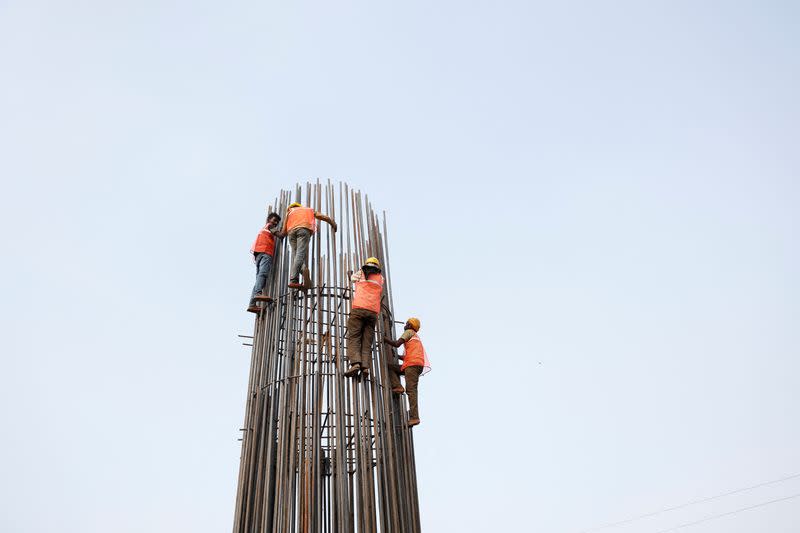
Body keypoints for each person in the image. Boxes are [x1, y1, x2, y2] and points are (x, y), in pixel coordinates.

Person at [384, 318, 430, 427]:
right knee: (391, 368)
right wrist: (399, 356)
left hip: (412, 366)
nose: (405, 324)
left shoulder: (409, 332)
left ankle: (414, 417)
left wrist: (384, 339)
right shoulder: (416, 337)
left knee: (411, 390)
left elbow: (396, 344)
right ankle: (398, 387)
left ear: (410, 325)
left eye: (407, 323)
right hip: (415, 365)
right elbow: (409, 355)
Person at [279, 202, 337, 288]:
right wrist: (332, 222)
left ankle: (303, 270)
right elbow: (322, 216)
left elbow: (283, 232)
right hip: (303, 229)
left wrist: (278, 234)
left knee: (296, 255)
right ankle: (294, 279)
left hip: (291, 233)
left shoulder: (289, 213)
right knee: (300, 254)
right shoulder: (308, 209)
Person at [343, 257, 384, 378]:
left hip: (359, 308)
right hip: (373, 312)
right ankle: (365, 367)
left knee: (354, 337)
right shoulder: (381, 278)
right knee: (367, 342)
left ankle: (355, 364)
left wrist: (350, 274)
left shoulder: (361, 272)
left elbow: (352, 279)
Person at [247, 212, 281, 313]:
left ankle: (252, 305)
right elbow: (280, 235)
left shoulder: (263, 229)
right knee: (263, 274)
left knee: (258, 279)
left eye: (277, 222)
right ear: (268, 219)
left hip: (258, 254)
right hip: (265, 252)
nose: (275, 223)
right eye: (274, 220)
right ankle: (257, 294)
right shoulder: (269, 226)